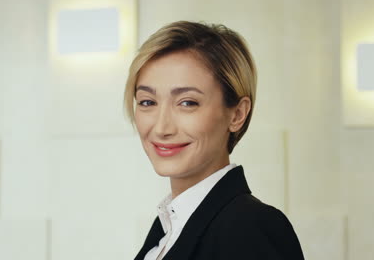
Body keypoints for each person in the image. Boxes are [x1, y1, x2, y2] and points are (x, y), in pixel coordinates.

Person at [124, 21, 305, 260]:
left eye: (187, 103)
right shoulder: (170, 227)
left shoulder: (251, 227)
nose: (161, 128)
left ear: (237, 114)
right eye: (148, 102)